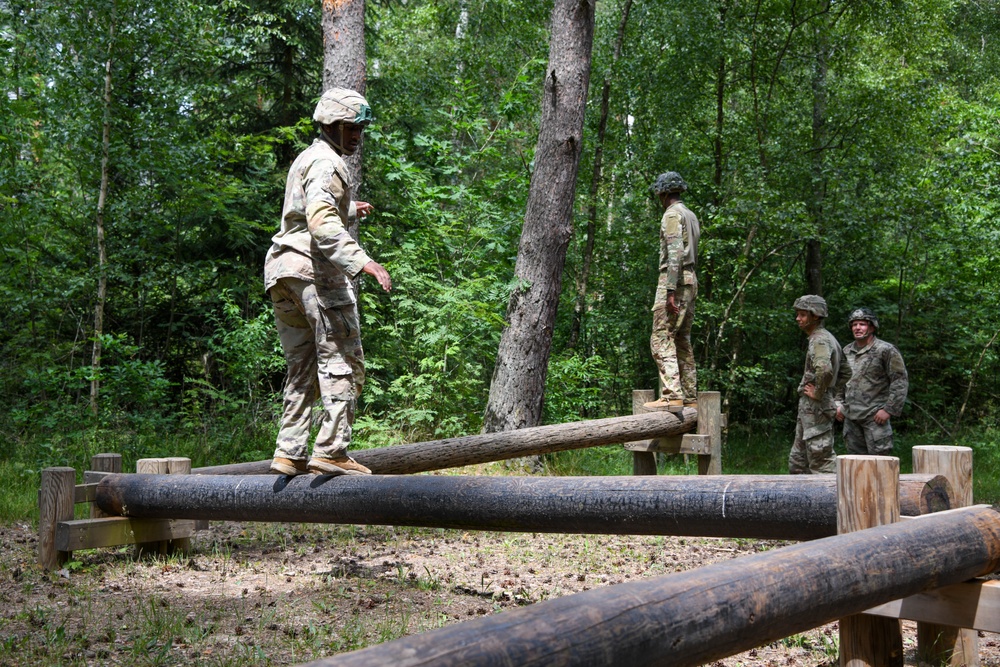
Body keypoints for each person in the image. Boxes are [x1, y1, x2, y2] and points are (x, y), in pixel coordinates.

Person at [264, 87, 392, 477]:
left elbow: (306, 209)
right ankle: (332, 451)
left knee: (301, 366)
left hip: (282, 273)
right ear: (329, 125)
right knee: (342, 361)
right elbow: (321, 222)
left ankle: (289, 452)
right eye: (349, 128)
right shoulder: (329, 163)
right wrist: (363, 261)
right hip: (315, 273)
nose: (356, 135)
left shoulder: (306, 158)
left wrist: (350, 208)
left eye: (359, 129)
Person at [644, 171, 701, 413]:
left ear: (663, 193)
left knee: (660, 337)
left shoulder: (671, 215)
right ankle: (688, 395)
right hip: (690, 280)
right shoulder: (691, 215)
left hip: (674, 279)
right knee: (682, 339)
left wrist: (669, 290)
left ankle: (671, 395)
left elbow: (675, 251)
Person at [789, 295, 852, 474]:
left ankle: (833, 501)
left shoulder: (819, 339)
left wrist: (819, 392)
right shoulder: (828, 338)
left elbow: (824, 370)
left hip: (816, 407)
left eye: (802, 314)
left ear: (815, 316)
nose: (798, 318)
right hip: (812, 407)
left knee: (821, 461)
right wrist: (829, 391)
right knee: (799, 461)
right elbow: (846, 372)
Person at [835, 307, 908, 455]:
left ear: (872, 326)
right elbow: (840, 381)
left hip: (875, 418)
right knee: (855, 467)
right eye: (854, 324)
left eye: (862, 324)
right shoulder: (846, 351)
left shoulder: (885, 350)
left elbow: (899, 380)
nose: (857, 328)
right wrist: (837, 404)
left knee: (880, 466)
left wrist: (889, 409)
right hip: (851, 418)